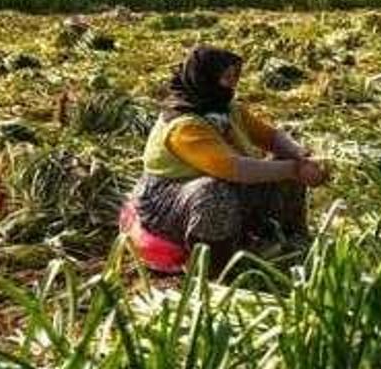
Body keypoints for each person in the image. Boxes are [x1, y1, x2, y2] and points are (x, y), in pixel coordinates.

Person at [131, 46, 328, 274]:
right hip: (168, 199)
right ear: (205, 78)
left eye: (236, 76)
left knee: (284, 162)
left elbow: (269, 136)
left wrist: (301, 155)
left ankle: (290, 240)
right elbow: (232, 168)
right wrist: (294, 170)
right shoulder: (183, 125)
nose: (233, 84)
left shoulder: (227, 108)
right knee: (213, 194)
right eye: (227, 77)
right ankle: (214, 269)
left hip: (224, 181)